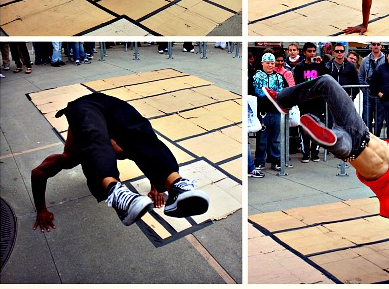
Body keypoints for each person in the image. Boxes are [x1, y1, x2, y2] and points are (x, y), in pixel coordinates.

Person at [262, 74, 389, 259]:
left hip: (351, 149)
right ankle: (283, 100)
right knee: (327, 81)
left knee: (336, 143)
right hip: (358, 127)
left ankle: (319, 131)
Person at [31, 92, 209, 232]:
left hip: (109, 106)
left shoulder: (119, 147)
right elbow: (38, 173)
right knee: (103, 145)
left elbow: (143, 151)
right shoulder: (72, 155)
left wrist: (157, 185)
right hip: (86, 107)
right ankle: (118, 191)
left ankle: (178, 186)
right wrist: (41, 210)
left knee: (139, 137)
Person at [293, 42, 329, 163]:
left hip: (318, 102)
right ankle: (305, 153)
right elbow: (298, 84)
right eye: (309, 51)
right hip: (304, 102)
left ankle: (315, 152)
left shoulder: (319, 65)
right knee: (304, 128)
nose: (312, 53)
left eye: (314, 51)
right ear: (304, 52)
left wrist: (321, 63)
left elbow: (327, 77)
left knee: (317, 127)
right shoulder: (299, 67)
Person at [251, 51, 287, 171]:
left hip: (276, 111)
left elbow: (285, 92)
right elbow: (250, 93)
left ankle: (275, 160)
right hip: (262, 112)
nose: (270, 65)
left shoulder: (279, 77)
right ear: (262, 63)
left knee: (275, 139)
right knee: (261, 138)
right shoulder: (255, 76)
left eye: (272, 63)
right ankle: (260, 161)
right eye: (268, 63)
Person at [359, 41, 386, 136]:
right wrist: (364, 90)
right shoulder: (365, 60)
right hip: (368, 93)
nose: (376, 46)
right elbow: (361, 76)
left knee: (379, 120)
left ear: (381, 46)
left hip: (380, 93)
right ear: (371, 45)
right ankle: (368, 138)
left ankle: (377, 137)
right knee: (366, 118)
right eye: (374, 44)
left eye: (378, 44)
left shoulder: (386, 59)